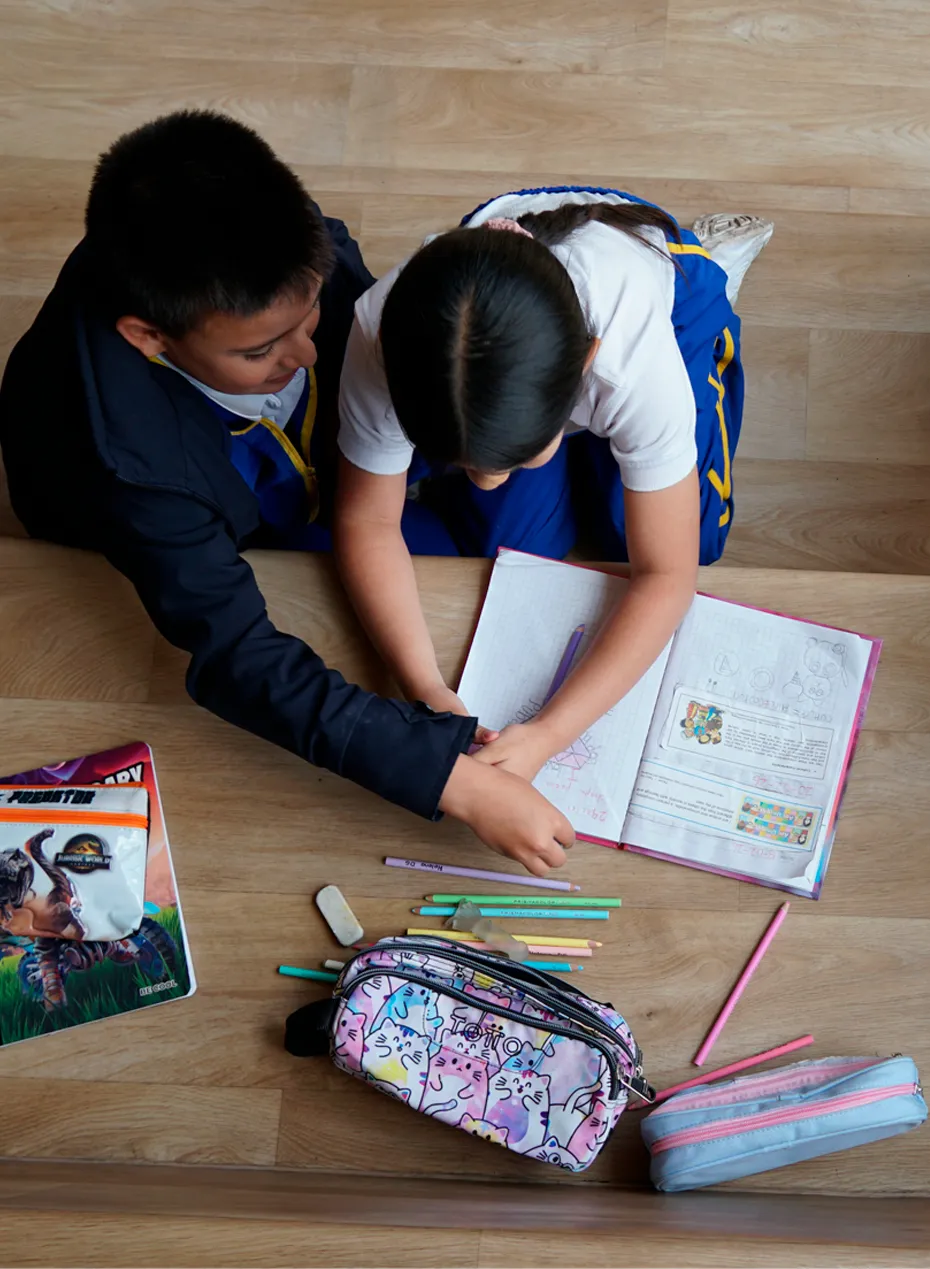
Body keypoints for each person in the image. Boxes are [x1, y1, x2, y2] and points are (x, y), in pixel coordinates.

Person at [0, 111, 575, 873]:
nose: (307, 355)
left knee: (516, 524)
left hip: (314, 472)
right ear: (150, 337)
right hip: (205, 515)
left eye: (311, 315)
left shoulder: (279, 249)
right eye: (263, 349)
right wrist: (453, 781)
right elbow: (240, 657)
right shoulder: (130, 469)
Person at [332, 188, 769, 788]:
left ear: (586, 365)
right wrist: (426, 686)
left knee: (694, 533)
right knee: (508, 548)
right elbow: (367, 523)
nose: (488, 480)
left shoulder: (628, 357)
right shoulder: (382, 333)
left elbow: (669, 575)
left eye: (514, 458)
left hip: (671, 292)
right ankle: (539, 454)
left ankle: (715, 258)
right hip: (507, 306)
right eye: (472, 464)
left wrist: (551, 732)